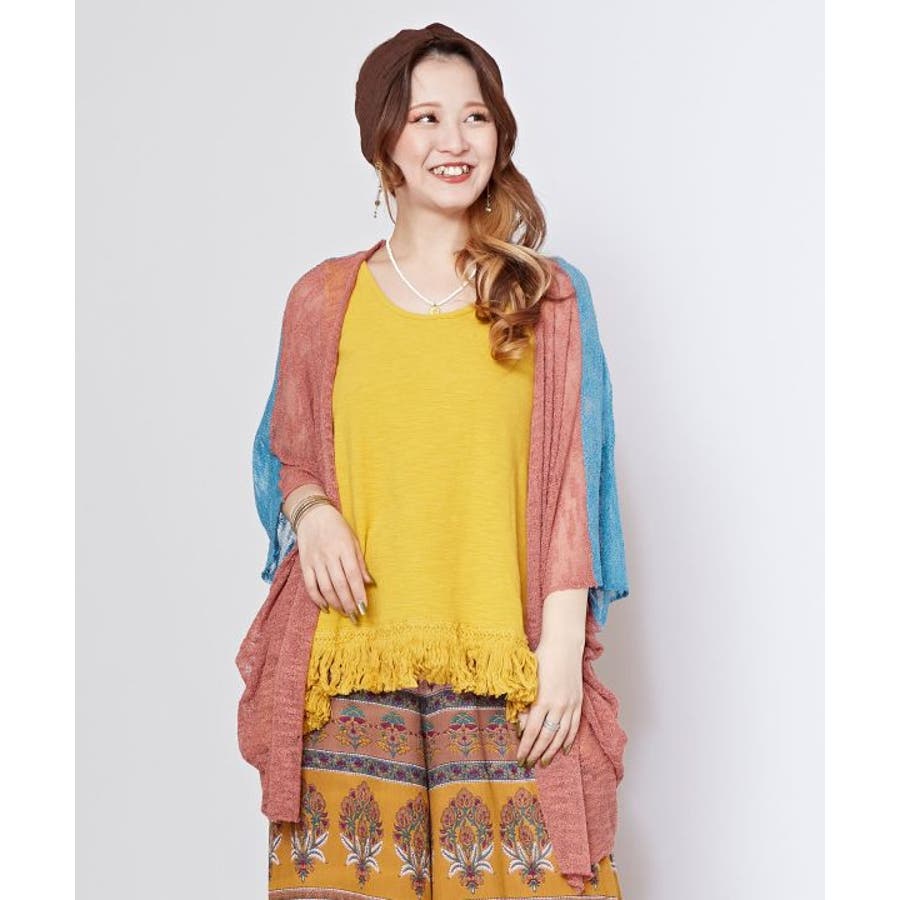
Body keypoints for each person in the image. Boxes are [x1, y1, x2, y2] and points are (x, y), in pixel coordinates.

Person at [242, 22, 630, 899]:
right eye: (426, 118)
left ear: (499, 134)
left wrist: (561, 652)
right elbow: (283, 452)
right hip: (349, 671)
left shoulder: (547, 298)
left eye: (474, 117)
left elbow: (577, 482)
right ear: (385, 140)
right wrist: (312, 511)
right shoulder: (322, 299)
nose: (454, 140)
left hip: (508, 668)